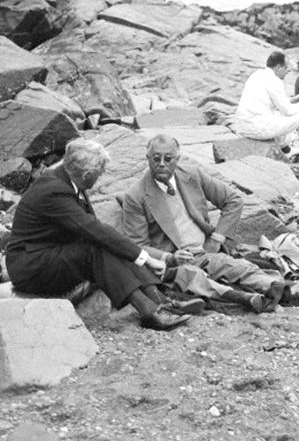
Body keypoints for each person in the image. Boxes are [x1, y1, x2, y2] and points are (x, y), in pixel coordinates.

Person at [122, 134, 299, 311]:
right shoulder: (136, 196)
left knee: (239, 267)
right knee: (196, 279)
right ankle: (255, 299)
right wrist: (170, 257)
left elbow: (233, 200)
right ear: (147, 158)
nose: (161, 164)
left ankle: (287, 290)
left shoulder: (192, 175)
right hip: (173, 263)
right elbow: (136, 245)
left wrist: (217, 237)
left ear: (177, 158)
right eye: (156, 158)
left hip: (204, 252)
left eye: (168, 158)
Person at [5, 139, 190, 331]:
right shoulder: (53, 190)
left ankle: (160, 300)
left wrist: (136, 255)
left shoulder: (68, 177)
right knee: (95, 247)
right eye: (100, 173)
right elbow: (93, 229)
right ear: (87, 175)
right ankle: (149, 311)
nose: (101, 176)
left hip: (51, 253)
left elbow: (95, 231)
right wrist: (147, 258)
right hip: (31, 268)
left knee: (108, 243)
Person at [227, 51, 299, 166]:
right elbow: (288, 111)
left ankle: (286, 151)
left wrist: (295, 99)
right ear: (278, 67)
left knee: (277, 114)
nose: (288, 71)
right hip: (257, 129)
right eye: (286, 67)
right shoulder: (275, 81)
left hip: (243, 126)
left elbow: (279, 103)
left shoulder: (257, 74)